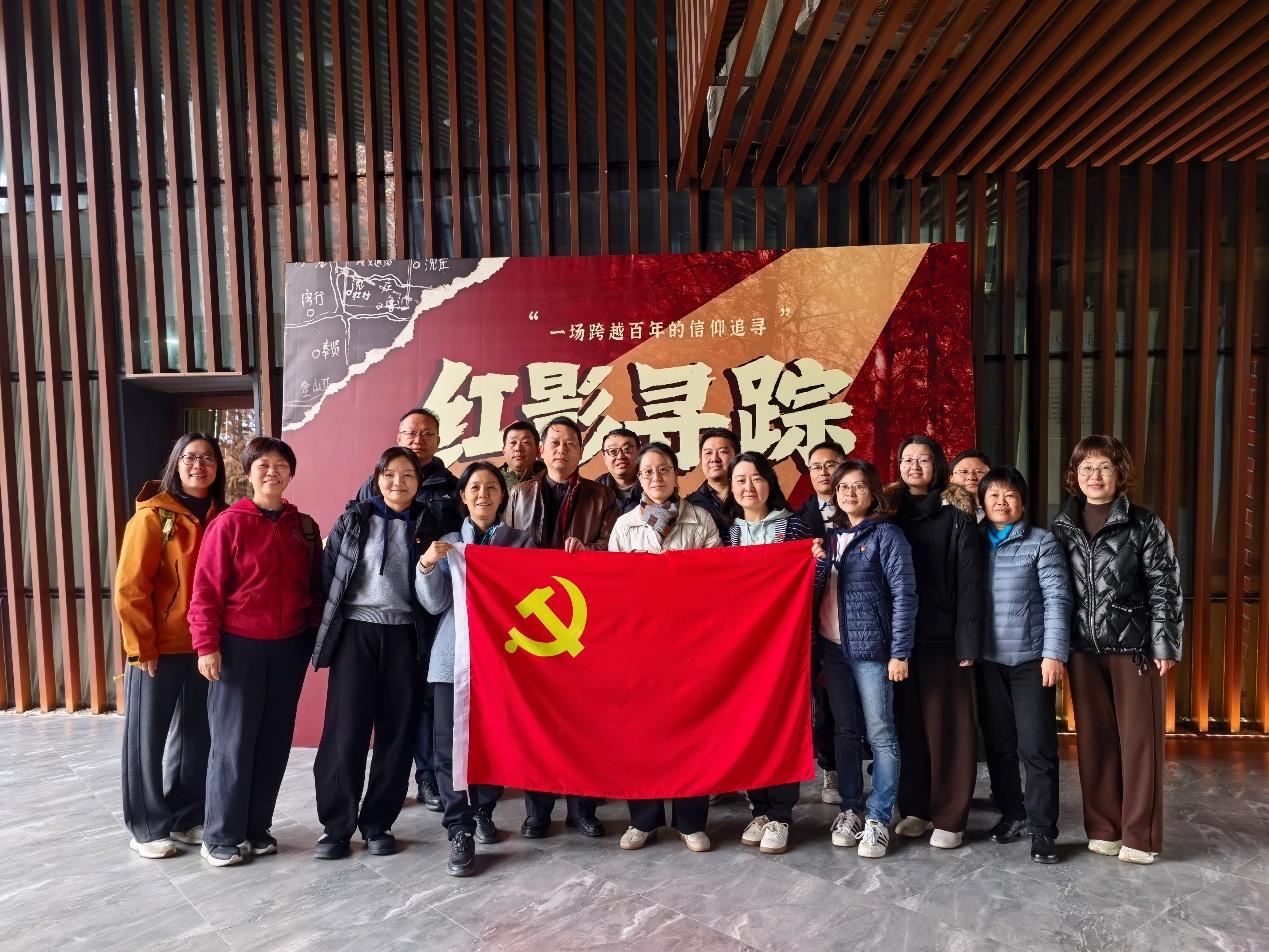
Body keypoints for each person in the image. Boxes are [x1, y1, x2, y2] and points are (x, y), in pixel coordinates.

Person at [190, 437, 323, 867]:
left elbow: (316, 589)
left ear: (291, 473)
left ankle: (255, 827)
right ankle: (220, 835)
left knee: (273, 741)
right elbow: (205, 591)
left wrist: (313, 640)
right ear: (249, 472)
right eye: (263, 464)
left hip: (289, 648)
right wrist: (206, 645)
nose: (272, 472)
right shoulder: (228, 524)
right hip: (238, 648)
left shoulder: (304, 527)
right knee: (232, 743)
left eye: (281, 465)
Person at [1049, 435, 1182, 865]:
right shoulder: (1062, 526)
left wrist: (1164, 642)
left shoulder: (1144, 524)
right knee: (1095, 741)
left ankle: (1140, 836)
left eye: (1104, 467)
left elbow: (1165, 586)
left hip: (1135, 648)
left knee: (1140, 743)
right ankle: (1105, 829)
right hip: (1082, 649)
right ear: (1075, 475)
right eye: (1086, 467)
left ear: (1120, 473)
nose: (1095, 475)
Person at [310, 447, 437, 860]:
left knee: (396, 733)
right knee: (345, 730)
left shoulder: (429, 523)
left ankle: (379, 823)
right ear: (378, 477)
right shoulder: (353, 519)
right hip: (356, 633)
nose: (399, 482)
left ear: (419, 482)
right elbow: (328, 577)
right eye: (390, 474)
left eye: (408, 475)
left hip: (405, 636)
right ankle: (336, 827)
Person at [416, 462, 536, 877]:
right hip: (453, 659)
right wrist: (427, 566)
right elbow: (434, 604)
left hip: (502, 662)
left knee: (493, 742)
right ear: (463, 497)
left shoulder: (522, 543)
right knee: (449, 747)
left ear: (502, 496)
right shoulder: (449, 544)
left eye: (491, 488)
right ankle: (459, 829)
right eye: (475, 488)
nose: (483, 494)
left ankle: (483, 809)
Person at [504, 416, 618, 836]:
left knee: (584, 719)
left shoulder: (600, 495)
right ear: (541, 449)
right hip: (535, 620)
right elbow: (505, 551)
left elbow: (614, 547)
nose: (561, 450)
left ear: (581, 452)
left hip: (581, 617)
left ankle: (582, 808)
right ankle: (537, 810)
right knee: (537, 718)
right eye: (554, 442)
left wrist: (587, 550)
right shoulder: (520, 494)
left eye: (570, 443)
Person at [115, 433, 226, 859]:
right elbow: (130, 588)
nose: (200, 465)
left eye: (208, 458)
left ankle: (185, 817)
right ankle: (146, 826)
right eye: (190, 458)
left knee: (197, 736)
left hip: (204, 647)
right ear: (176, 464)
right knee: (146, 740)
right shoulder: (152, 517)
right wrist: (141, 646)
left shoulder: (223, 516)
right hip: (157, 649)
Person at [609, 443, 720, 853]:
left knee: (693, 730)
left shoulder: (700, 519)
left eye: (664, 469)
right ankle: (643, 819)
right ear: (639, 479)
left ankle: (691, 821)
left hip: (691, 643)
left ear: (677, 474)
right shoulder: (625, 526)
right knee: (640, 733)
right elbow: (613, 588)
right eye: (648, 472)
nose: (656, 477)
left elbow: (718, 579)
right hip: (640, 645)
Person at [355, 407, 461, 813]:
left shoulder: (452, 488)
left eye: (426, 434)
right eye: (410, 433)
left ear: (438, 440)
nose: (418, 440)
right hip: (383, 613)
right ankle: (392, 782)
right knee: (390, 704)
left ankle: (428, 775)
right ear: (398, 437)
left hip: (431, 607)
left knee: (426, 698)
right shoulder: (372, 486)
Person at [813, 459, 915, 859]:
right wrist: (816, 564)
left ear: (873, 492)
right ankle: (851, 809)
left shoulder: (887, 535)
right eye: (842, 487)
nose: (849, 493)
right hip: (832, 649)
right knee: (844, 731)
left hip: (873, 651)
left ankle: (878, 817)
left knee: (881, 733)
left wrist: (899, 652)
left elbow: (905, 595)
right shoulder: (830, 538)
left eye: (858, 486)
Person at [887, 435, 982, 850]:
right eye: (907, 459)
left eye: (923, 459)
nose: (914, 466)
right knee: (908, 726)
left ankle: (950, 816)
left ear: (938, 465)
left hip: (944, 638)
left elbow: (970, 582)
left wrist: (967, 643)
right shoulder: (887, 512)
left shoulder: (957, 514)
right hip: (900, 639)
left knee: (949, 730)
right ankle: (916, 808)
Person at [976, 467, 1071, 864]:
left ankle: (1043, 830)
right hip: (986, 661)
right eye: (993, 495)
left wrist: (1054, 654)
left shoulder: (1041, 542)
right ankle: (1012, 812)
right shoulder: (972, 541)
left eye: (1010, 495)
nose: (1002, 502)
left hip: (1031, 660)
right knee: (998, 745)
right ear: (982, 501)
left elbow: (1058, 599)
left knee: (1036, 747)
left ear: (1023, 502)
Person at [727, 451, 814, 855]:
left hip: (783, 646)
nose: (749, 487)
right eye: (740, 480)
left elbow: (810, 583)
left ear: (770, 482)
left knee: (781, 723)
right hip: (741, 648)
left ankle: (781, 814)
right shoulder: (729, 533)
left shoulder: (794, 527)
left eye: (756, 478)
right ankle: (759, 808)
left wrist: (814, 562)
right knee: (747, 726)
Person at [796, 439, 847, 806]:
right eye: (816, 466)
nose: (824, 472)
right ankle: (830, 767)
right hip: (813, 622)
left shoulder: (864, 509)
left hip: (856, 618)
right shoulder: (798, 519)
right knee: (822, 702)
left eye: (831, 464)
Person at [686, 427, 738, 539]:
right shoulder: (689, 506)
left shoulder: (752, 498)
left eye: (722, 452)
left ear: (737, 457)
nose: (714, 459)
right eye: (708, 453)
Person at [596, 427, 643, 515]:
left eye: (627, 449)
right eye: (613, 451)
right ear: (604, 458)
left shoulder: (653, 485)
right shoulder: (594, 492)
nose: (620, 456)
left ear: (639, 452)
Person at [949, 450, 992, 523]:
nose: (971, 477)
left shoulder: (999, 509)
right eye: (963, 472)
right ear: (951, 478)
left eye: (979, 472)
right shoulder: (939, 509)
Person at [500, 420, 545, 490]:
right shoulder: (492, 479)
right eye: (513, 442)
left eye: (525, 442)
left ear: (537, 451)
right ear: (504, 451)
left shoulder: (550, 479)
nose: (518, 448)